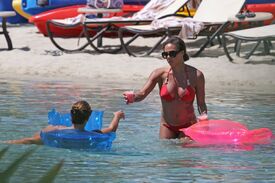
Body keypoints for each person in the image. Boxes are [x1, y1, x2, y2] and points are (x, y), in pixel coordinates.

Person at [123, 36, 207, 139]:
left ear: (182, 52)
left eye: (172, 54)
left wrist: (203, 116)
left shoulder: (196, 75)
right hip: (167, 126)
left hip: (188, 125)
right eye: (165, 54)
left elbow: (201, 103)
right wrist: (133, 97)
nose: (168, 57)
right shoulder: (159, 74)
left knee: (185, 153)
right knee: (165, 153)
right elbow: (142, 94)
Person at [6, 100, 125, 144]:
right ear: (88, 117)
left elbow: (30, 140)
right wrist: (117, 116)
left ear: (71, 115)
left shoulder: (56, 130)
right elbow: (111, 129)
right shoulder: (94, 134)